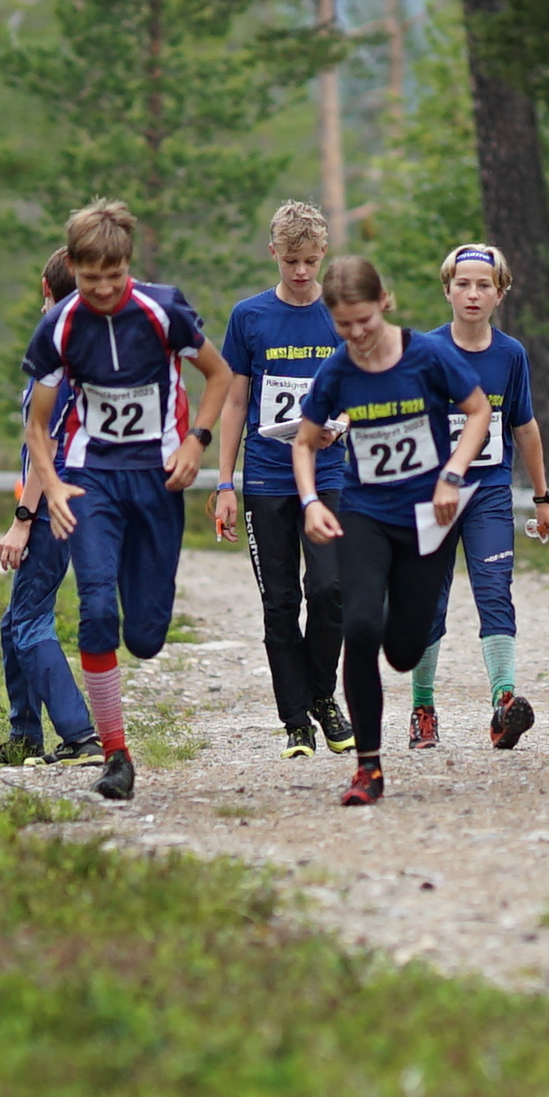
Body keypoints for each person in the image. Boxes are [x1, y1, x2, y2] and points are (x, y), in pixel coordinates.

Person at [284, 253, 499, 809]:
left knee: (403, 651)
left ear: (385, 303)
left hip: (427, 517)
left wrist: (452, 474)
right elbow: (305, 442)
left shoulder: (427, 355)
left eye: (365, 322)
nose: (356, 334)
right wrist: (310, 501)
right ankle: (368, 768)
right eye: (343, 325)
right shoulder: (337, 371)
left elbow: (478, 412)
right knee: (358, 625)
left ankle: (400, 651)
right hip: (364, 514)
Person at [20, 203, 207, 801]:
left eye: (114, 276)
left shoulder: (162, 309)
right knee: (97, 609)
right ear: (73, 268)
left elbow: (222, 375)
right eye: (90, 277)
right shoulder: (59, 326)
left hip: (155, 480)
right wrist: (50, 484)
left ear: (129, 264)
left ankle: (141, 625)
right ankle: (115, 756)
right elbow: (37, 423)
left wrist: (196, 444)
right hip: (89, 479)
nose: (102, 289)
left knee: (147, 637)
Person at [208, 203, 349, 755]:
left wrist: (343, 424)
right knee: (281, 601)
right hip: (265, 478)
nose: (301, 272)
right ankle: (295, 721)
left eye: (311, 261)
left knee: (331, 589)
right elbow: (236, 398)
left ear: (324, 255)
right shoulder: (250, 316)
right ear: (273, 254)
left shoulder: (338, 315)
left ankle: (323, 698)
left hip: (328, 473)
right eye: (291, 261)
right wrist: (224, 482)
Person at [430, 242, 549, 750]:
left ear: (500, 293)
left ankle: (504, 703)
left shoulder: (511, 355)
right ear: (447, 290)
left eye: (483, 284)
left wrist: (543, 497)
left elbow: (524, 428)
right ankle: (423, 706)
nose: (472, 293)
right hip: (434, 495)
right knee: (428, 604)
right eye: (462, 283)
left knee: (495, 593)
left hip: (487, 495)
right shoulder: (427, 350)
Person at [0, 258, 104, 766]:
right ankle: (24, 735)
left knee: (30, 620)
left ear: (45, 290)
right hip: (80, 496)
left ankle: (80, 736)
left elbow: (46, 444)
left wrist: (22, 520)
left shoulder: (60, 353)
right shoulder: (94, 348)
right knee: (16, 621)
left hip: (53, 502)